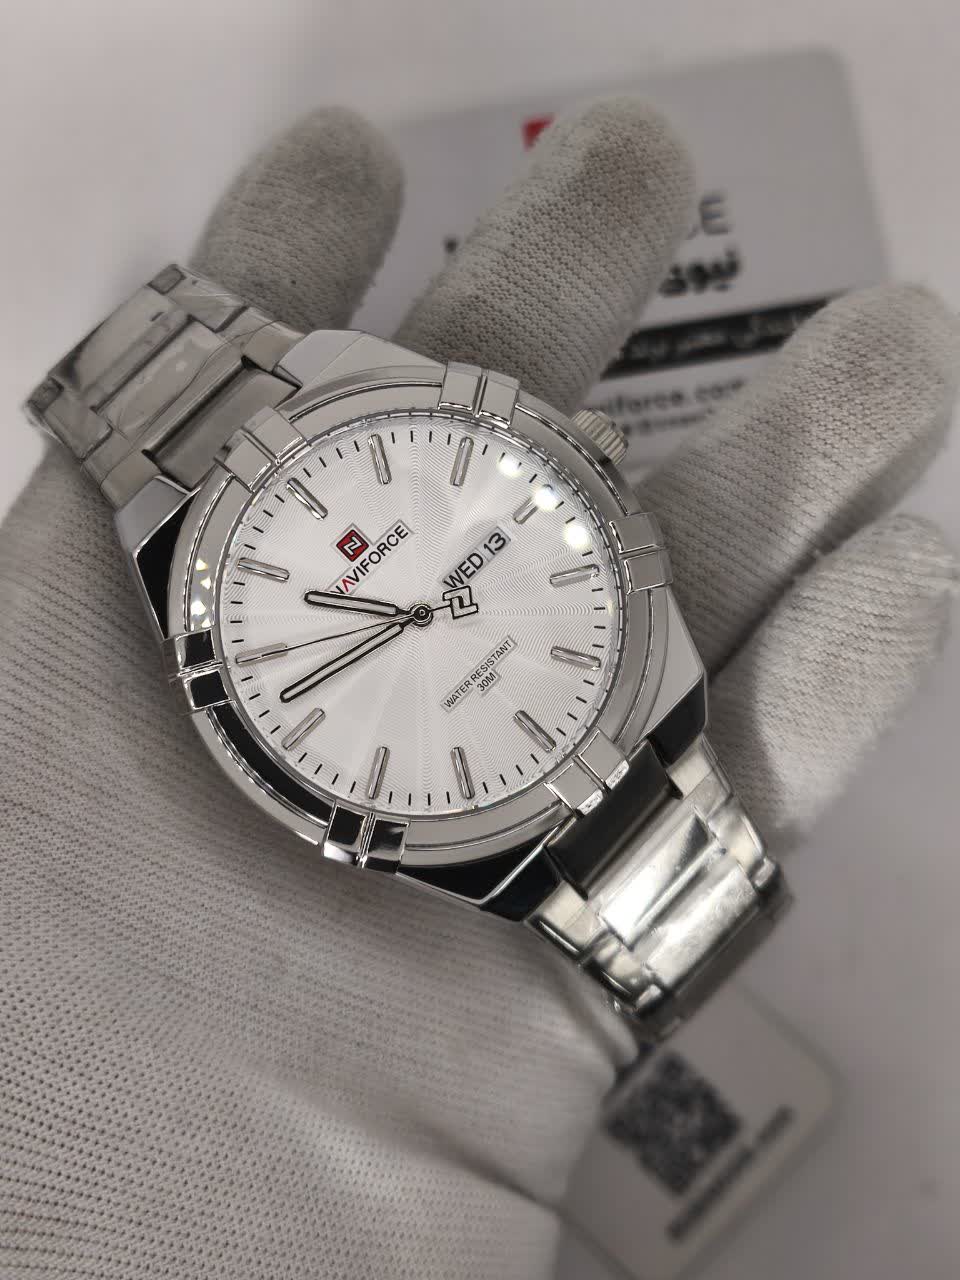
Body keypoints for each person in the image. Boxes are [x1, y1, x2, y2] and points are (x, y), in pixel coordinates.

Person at [1, 98, 956, 1279]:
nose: (412, 614)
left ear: (581, 453)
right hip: (482, 790)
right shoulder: (239, 666)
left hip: (581, 673)